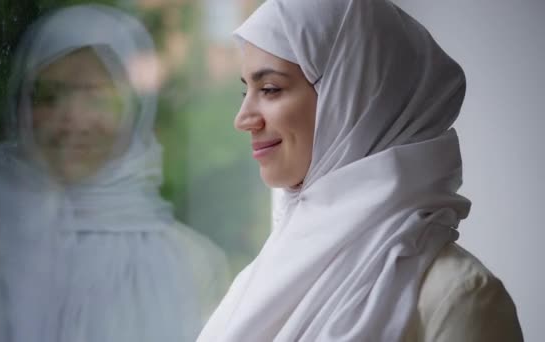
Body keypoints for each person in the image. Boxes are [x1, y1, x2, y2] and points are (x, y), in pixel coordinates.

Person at [197, 0, 523, 341]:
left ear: (351, 97)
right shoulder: (266, 275)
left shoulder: (459, 299)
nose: (242, 119)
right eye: (244, 89)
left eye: (270, 89)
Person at [0, 4, 228, 342]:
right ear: (23, 108)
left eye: (98, 97)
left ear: (136, 116)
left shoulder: (193, 264)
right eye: (49, 95)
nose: (73, 118)